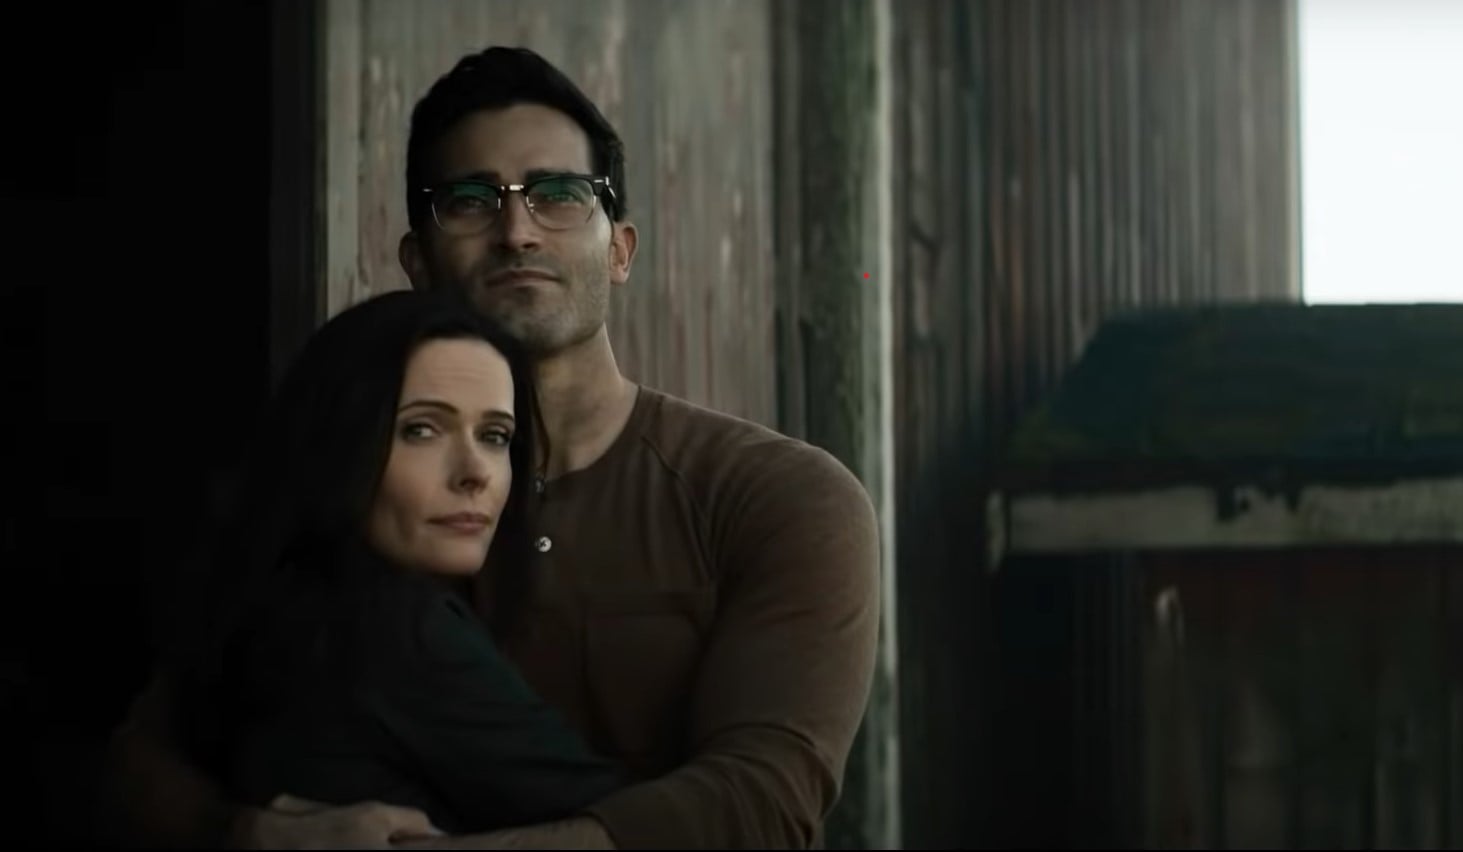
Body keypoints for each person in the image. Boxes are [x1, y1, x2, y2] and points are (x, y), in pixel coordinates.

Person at [104, 45, 880, 849]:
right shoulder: (348, 491)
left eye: (559, 195)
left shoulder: (775, 496)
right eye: (471, 200)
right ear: (417, 260)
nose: (516, 231)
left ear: (619, 249)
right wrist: (256, 835)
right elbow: (145, 756)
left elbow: (764, 803)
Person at [147, 288, 627, 842]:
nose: (476, 472)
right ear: (338, 442)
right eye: (421, 429)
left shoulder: (268, 600)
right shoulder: (396, 626)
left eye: (495, 436)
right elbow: (631, 827)